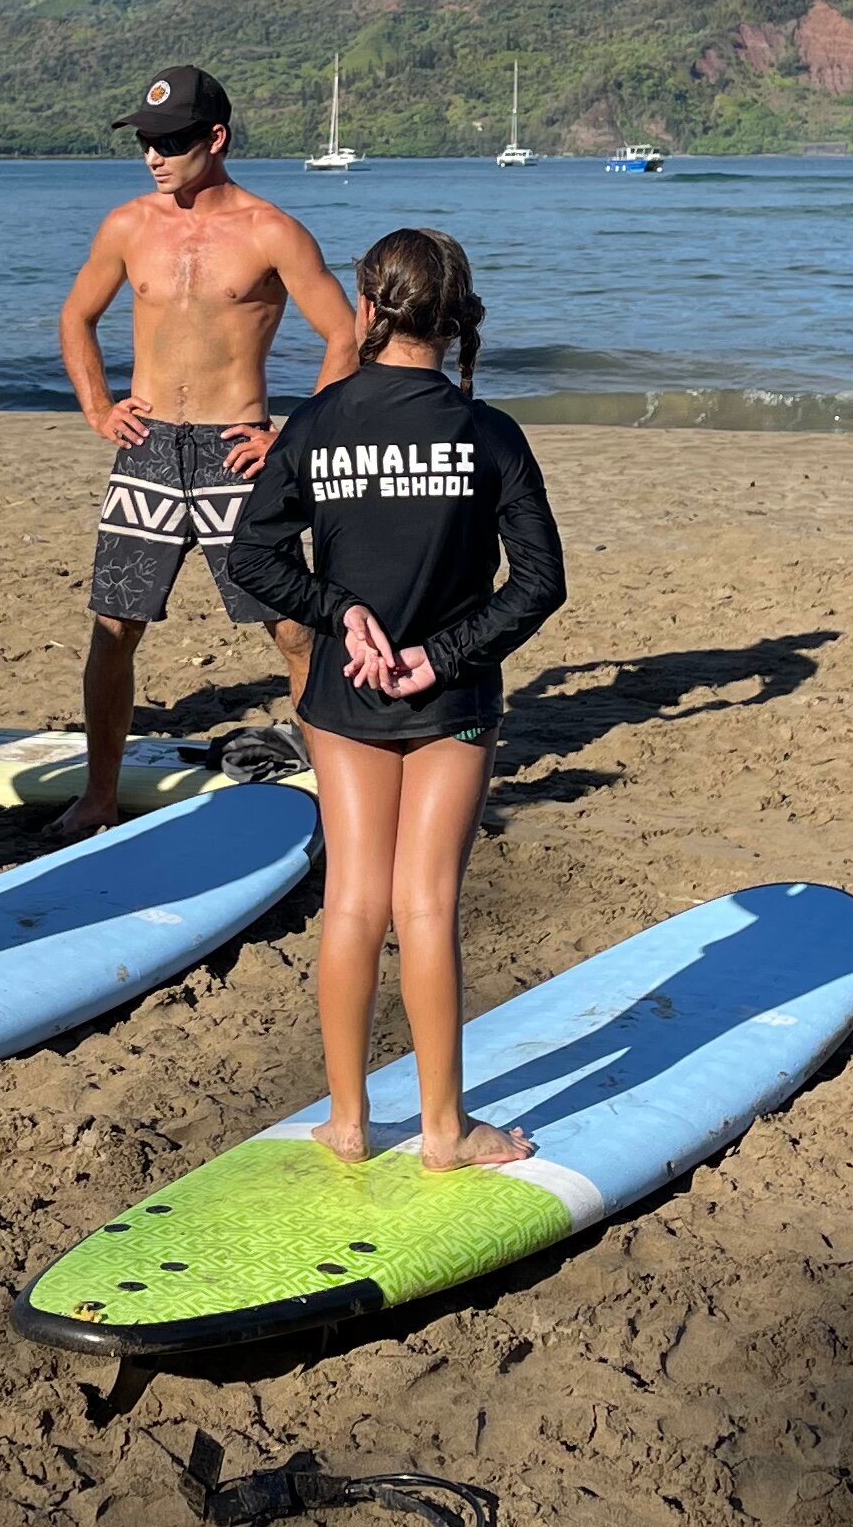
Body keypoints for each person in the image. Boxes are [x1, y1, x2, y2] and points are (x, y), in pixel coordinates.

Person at [224, 228, 565, 1170]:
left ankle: (346, 1123)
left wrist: (343, 616)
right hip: (449, 693)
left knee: (352, 906)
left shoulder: (319, 420)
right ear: (459, 319)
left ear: (368, 311)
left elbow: (255, 559)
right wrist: (441, 653)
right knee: (426, 904)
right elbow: (540, 584)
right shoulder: (487, 433)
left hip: (344, 692)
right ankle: (445, 1132)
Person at [53, 67, 360, 834]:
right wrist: (98, 407)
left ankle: (337, 791)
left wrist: (295, 432)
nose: (155, 156)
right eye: (147, 142)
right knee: (114, 627)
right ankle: (97, 795)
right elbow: (76, 316)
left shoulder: (270, 230)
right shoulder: (127, 225)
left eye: (172, 141)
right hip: (149, 449)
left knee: (292, 629)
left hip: (236, 454)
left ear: (215, 139)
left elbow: (345, 333)